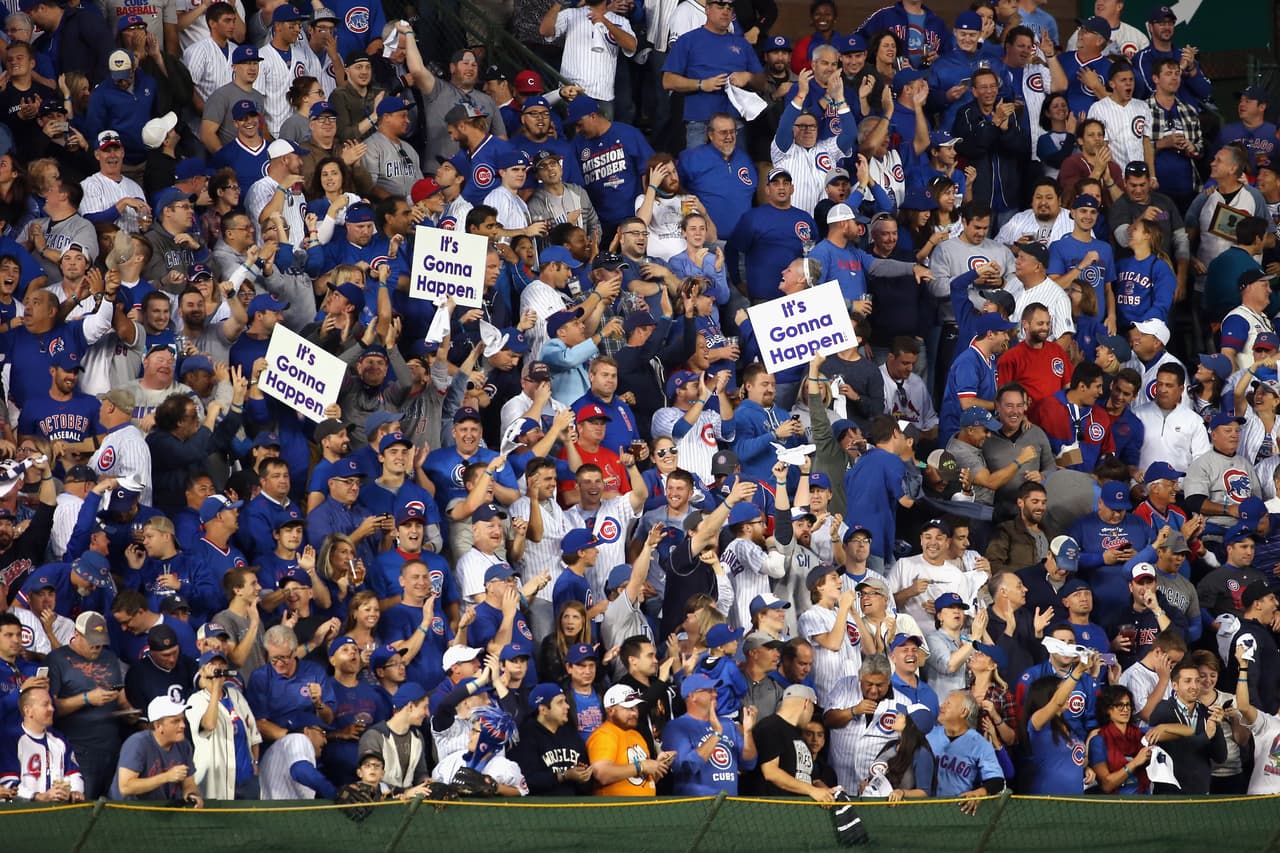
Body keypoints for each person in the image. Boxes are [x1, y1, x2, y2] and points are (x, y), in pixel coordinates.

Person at [185, 649, 262, 800]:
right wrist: (215, 688)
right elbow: (209, 725)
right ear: (202, 671)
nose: (218, 667)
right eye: (212, 664)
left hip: (246, 777)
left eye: (221, 664)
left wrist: (255, 763)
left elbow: (253, 733)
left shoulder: (235, 695)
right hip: (217, 777)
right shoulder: (195, 700)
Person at [662, 673, 757, 794]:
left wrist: (748, 733)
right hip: (695, 806)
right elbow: (687, 767)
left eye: (715, 690)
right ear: (692, 696)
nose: (715, 694)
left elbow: (748, 764)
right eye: (709, 691)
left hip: (730, 804)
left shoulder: (728, 724)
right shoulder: (677, 727)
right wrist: (716, 734)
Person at [1147, 662, 1228, 794]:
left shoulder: (1206, 713)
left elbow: (1220, 757)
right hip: (1169, 792)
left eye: (1197, 681)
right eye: (1188, 681)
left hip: (1200, 791)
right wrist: (1206, 736)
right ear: (1175, 685)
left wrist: (1216, 725)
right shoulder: (1163, 710)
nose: (1194, 686)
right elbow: (1181, 751)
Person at [109, 696, 202, 806]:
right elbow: (125, 787)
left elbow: (189, 783)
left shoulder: (183, 745)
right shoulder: (137, 744)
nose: (183, 725)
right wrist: (166, 776)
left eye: (183, 719)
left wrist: (192, 794)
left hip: (163, 810)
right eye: (175, 721)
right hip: (126, 812)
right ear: (158, 726)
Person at [749, 684, 833, 801]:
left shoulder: (798, 735)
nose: (811, 715)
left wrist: (826, 792)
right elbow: (770, 772)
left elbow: (808, 778)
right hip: (771, 810)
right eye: (813, 709)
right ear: (807, 704)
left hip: (797, 811)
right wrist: (812, 790)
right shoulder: (770, 727)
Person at [586, 683, 673, 796]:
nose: (634, 713)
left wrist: (658, 766)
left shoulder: (637, 735)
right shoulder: (604, 734)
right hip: (615, 809)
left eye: (635, 707)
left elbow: (641, 781)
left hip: (643, 807)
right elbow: (602, 773)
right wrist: (642, 766)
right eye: (628, 708)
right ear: (610, 710)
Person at [925, 690, 1006, 806]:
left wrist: (978, 793)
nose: (941, 706)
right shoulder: (929, 735)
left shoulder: (979, 744)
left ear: (963, 712)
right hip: (925, 806)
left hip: (959, 808)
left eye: (948, 703)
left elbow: (997, 781)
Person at [3, 688, 84, 802]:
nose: (52, 708)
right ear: (28, 711)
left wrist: (74, 792)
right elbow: (7, 785)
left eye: (51, 704)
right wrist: (38, 797)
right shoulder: (10, 740)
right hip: (20, 813)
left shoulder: (59, 739)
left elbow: (74, 774)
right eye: (45, 705)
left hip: (57, 813)